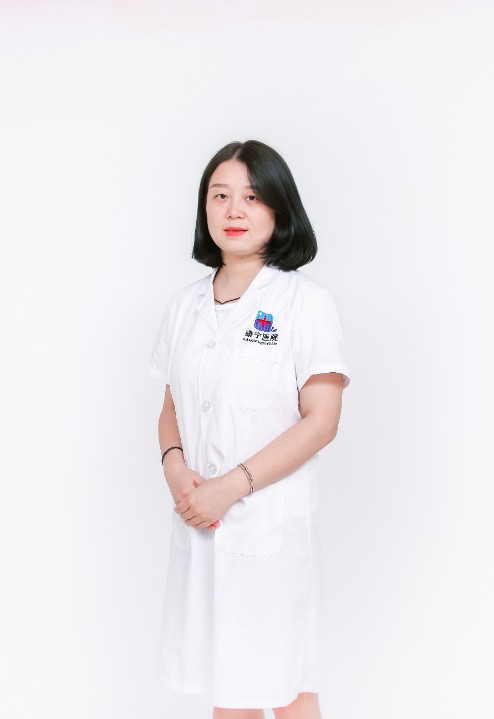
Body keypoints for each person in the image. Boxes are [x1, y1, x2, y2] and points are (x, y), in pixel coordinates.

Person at [148, 139, 351, 719]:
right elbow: (172, 404)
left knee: (287, 690)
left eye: (253, 197)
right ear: (204, 208)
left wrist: (230, 487)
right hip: (201, 520)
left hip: (268, 527)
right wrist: (176, 470)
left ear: (279, 210)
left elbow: (322, 421)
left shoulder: (304, 303)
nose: (234, 210)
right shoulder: (184, 306)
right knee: (228, 690)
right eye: (220, 196)